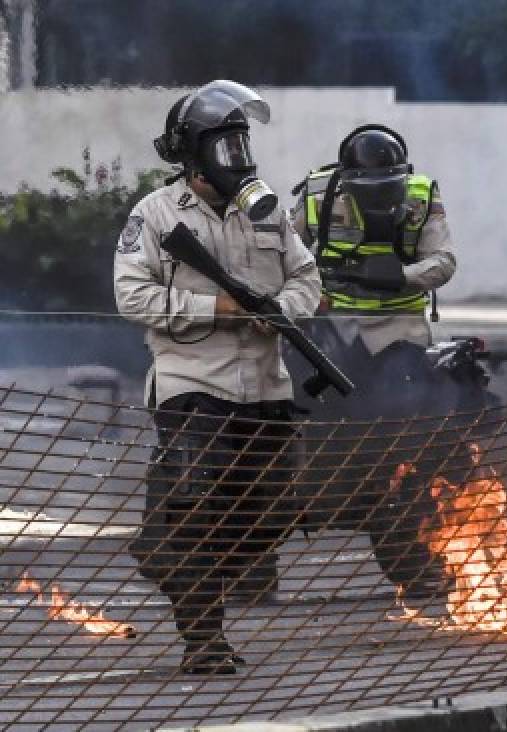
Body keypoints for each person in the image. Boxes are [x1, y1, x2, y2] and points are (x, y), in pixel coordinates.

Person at [115, 80, 321, 674]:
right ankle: (204, 637)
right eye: (225, 144)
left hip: (265, 385)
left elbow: (306, 279)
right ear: (194, 154)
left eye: (242, 142)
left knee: (270, 517)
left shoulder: (269, 211)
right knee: (196, 503)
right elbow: (132, 296)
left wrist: (285, 308)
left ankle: (169, 555)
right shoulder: (154, 215)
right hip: (191, 384)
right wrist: (223, 308)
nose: (238, 155)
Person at [289, 125, 457, 607]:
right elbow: (278, 252)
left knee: (407, 434)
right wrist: (305, 292)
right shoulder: (317, 194)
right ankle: (250, 558)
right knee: (278, 416)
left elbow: (444, 261)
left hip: (398, 327)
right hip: (330, 327)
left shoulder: (423, 195)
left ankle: (418, 556)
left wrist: (399, 275)